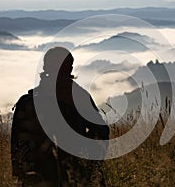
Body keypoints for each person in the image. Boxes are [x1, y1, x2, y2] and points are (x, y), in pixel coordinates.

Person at [11, 47, 110, 186]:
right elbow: (101, 132)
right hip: (70, 172)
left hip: (44, 174)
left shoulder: (29, 102)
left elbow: (18, 145)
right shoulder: (78, 97)